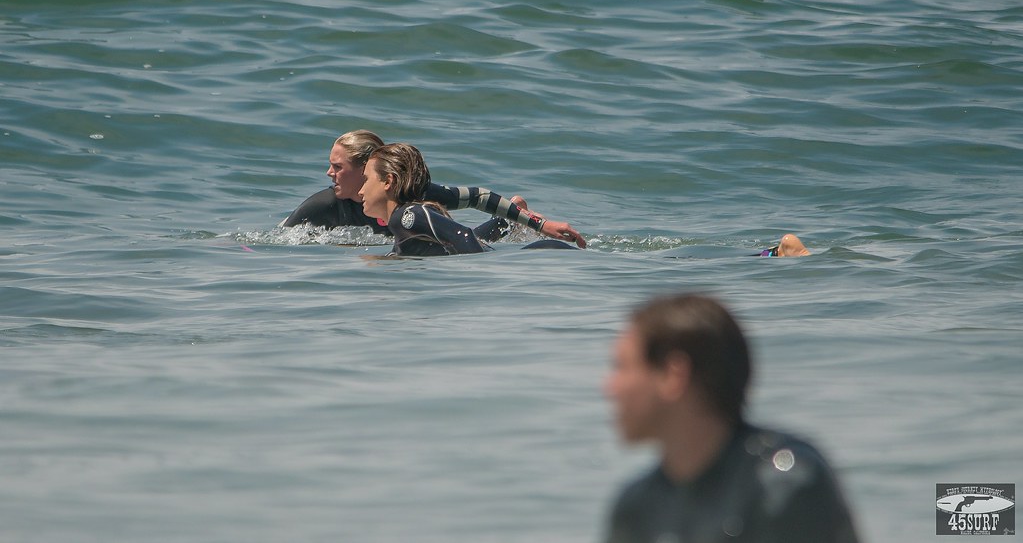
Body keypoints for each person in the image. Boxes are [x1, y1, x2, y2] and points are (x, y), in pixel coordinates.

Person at [603, 293, 859, 543]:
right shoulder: (637, 508)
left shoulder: (784, 486)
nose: (609, 387)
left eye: (622, 367)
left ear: (673, 376)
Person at [281, 130, 586, 247]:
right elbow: (279, 238)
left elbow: (479, 198)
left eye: (338, 167)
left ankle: (510, 217)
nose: (328, 173)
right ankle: (507, 221)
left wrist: (541, 224)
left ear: (369, 171)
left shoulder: (412, 203)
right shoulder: (323, 205)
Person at [360, 143, 577, 257]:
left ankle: (507, 221)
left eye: (367, 180)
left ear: (388, 181)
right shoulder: (406, 217)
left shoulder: (407, 216)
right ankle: (505, 221)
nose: (361, 191)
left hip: (543, 253)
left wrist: (483, 281)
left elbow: (461, 235)